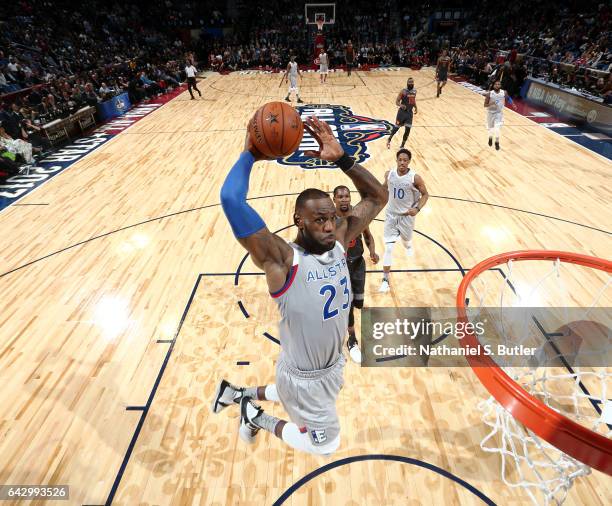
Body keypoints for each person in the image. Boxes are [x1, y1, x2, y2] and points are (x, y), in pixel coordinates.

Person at [213, 116, 388, 455]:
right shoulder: (282, 260)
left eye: (331, 218)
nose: (328, 225)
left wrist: (342, 158)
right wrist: (250, 153)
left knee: (292, 390)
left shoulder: (339, 240)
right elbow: (231, 200)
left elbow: (377, 197)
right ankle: (254, 416)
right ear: (299, 221)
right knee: (325, 445)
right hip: (304, 378)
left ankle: (236, 393)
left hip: (329, 364)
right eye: (319, 219)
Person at [332, 185, 379, 363]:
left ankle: (346, 333)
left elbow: (368, 236)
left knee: (356, 302)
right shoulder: (331, 218)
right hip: (339, 267)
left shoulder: (358, 215)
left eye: (346, 196)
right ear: (334, 199)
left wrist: (372, 251)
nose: (344, 199)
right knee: (347, 303)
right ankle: (351, 340)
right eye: (340, 197)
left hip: (358, 264)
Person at [379, 149, 429, 293]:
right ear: (396, 160)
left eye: (405, 160)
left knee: (406, 241)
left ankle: (408, 245)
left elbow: (425, 195)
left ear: (409, 162)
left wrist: (417, 209)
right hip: (391, 216)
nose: (402, 162)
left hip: (407, 216)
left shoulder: (415, 178)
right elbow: (383, 189)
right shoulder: (389, 174)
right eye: (400, 159)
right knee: (388, 248)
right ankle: (385, 279)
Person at [386, 77, 417, 149]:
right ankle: (389, 138)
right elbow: (397, 101)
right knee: (396, 128)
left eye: (412, 82)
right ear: (407, 83)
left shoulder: (415, 91)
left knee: (408, 130)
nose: (411, 83)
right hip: (402, 113)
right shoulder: (403, 91)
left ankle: (402, 145)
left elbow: (413, 100)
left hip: (409, 114)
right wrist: (401, 105)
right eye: (409, 82)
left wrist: (416, 107)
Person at [484, 79, 515, 150]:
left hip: (499, 114)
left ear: (500, 85)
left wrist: (512, 104)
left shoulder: (503, 92)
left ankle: (497, 142)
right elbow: (485, 105)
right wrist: (491, 103)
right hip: (490, 114)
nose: (497, 85)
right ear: (493, 85)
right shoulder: (489, 94)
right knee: (491, 130)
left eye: (499, 84)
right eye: (496, 84)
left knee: (497, 129)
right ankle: (490, 138)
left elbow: (508, 98)